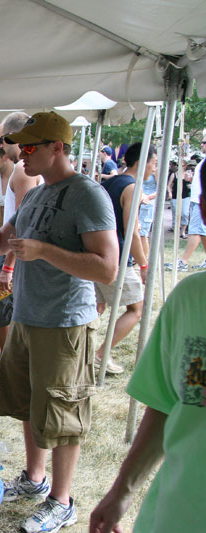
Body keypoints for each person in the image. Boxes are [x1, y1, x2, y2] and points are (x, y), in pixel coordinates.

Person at [0, 111, 118, 533]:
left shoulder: (87, 194)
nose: (20, 153)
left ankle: (62, 501)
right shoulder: (35, 194)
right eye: (19, 146)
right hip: (28, 315)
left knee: (64, 415)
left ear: (58, 148)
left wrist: (45, 251)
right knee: (29, 403)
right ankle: (35, 480)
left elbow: (107, 268)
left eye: (29, 147)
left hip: (65, 323)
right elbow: (1, 241)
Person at [89, 162, 206, 533]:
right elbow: (168, 404)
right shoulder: (191, 299)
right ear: (203, 209)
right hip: (174, 514)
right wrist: (121, 490)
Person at [0, 112, 42, 378]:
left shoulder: (24, 172)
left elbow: (25, 224)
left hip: (16, 258)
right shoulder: (20, 170)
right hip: (13, 254)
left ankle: (8, 365)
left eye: (4, 140)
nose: (1, 145)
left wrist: (8, 267)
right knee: (2, 308)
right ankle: (9, 360)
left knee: (4, 307)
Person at [94, 143, 156, 376]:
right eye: (154, 162)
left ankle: (85, 354)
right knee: (136, 309)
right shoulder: (132, 187)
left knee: (96, 307)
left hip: (96, 252)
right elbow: (132, 231)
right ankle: (100, 356)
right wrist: (143, 264)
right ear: (141, 163)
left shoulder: (110, 182)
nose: (155, 167)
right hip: (117, 257)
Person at [175, 152, 206, 271]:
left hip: (200, 201)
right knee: (201, 232)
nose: (203, 145)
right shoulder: (203, 161)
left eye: (205, 142)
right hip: (197, 199)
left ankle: (183, 261)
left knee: (195, 231)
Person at [167, 160, 191, 238]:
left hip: (185, 196)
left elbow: (193, 184)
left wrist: (191, 184)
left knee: (185, 213)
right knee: (176, 214)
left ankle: (183, 231)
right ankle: (175, 229)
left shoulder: (188, 175)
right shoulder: (174, 174)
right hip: (175, 196)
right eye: (180, 165)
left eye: (183, 165)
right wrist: (170, 192)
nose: (181, 167)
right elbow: (169, 185)